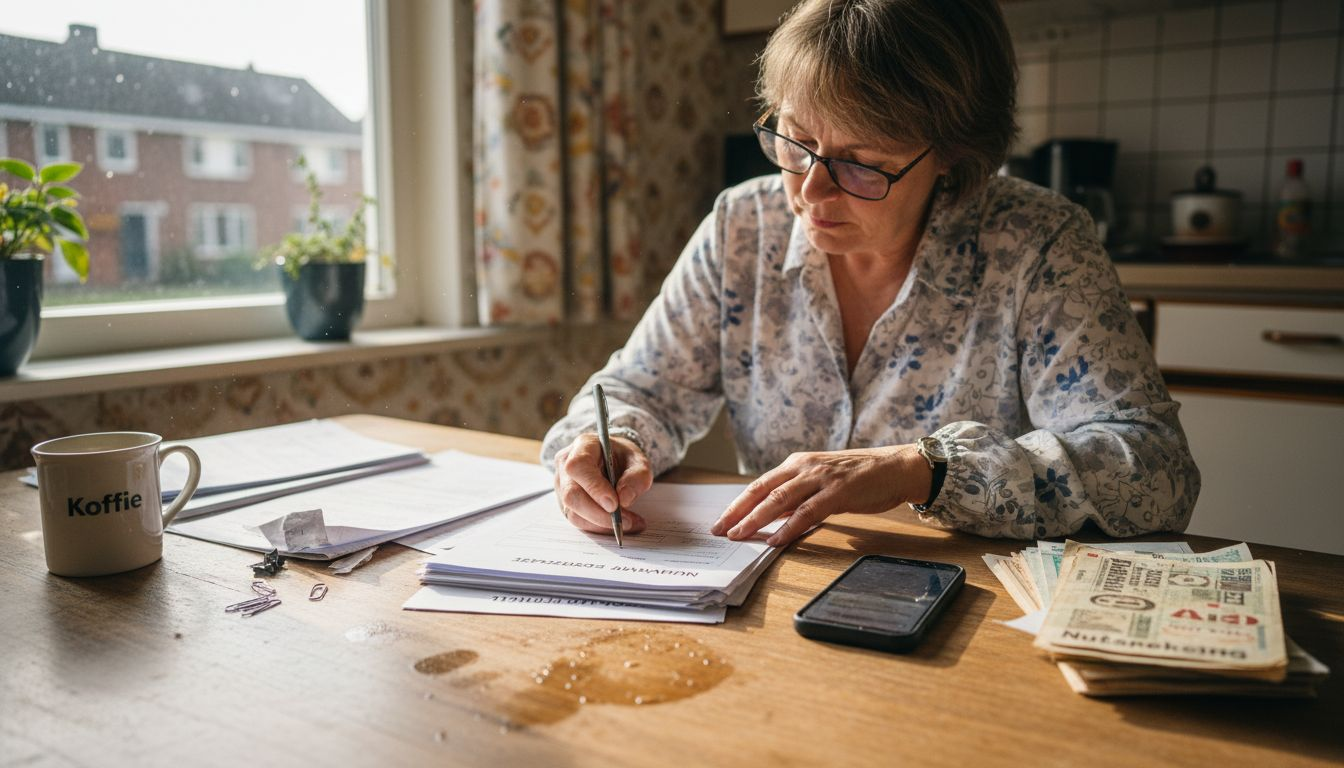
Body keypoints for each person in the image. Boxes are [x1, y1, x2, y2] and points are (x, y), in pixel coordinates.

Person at [540, 0, 1200, 548]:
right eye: (797, 141)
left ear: (951, 153)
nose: (811, 191)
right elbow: (642, 390)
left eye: (861, 164)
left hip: (970, 610)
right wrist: (611, 442)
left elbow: (1155, 471)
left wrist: (924, 469)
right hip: (772, 583)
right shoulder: (743, 226)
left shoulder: (1038, 245)